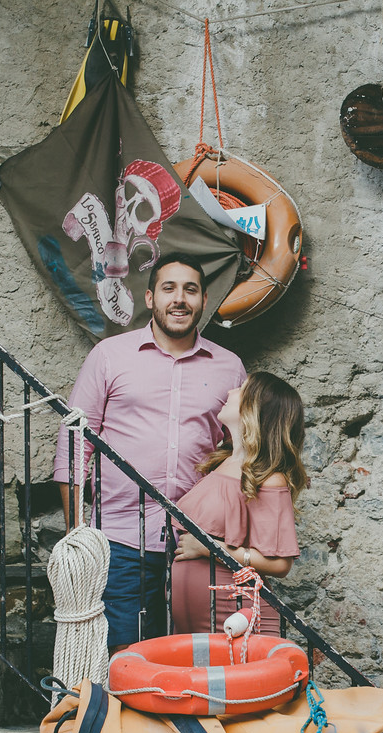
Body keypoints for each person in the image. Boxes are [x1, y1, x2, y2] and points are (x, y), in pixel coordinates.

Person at [55, 252, 246, 652]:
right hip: (121, 535)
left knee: (197, 652)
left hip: (198, 538)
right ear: (149, 299)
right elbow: (75, 443)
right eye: (169, 289)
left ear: (204, 301)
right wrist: (77, 532)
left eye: (190, 290)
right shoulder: (110, 356)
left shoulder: (229, 367)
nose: (180, 299)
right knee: (126, 654)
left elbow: (241, 452)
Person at [171, 371, 307, 636]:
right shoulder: (223, 462)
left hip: (238, 618)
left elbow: (281, 565)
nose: (231, 392)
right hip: (202, 618)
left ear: (255, 410)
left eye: (241, 389)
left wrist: (209, 548)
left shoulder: (268, 477)